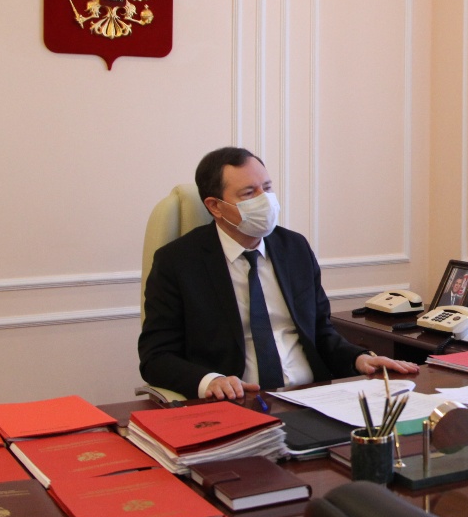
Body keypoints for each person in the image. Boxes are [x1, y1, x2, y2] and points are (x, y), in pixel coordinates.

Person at [139, 146, 417, 400]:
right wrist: (210, 381)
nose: (265, 200)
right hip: (238, 402)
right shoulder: (177, 262)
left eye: (267, 188)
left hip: (313, 396)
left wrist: (358, 359)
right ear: (215, 206)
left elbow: (320, 333)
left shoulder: (294, 248)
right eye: (249, 193)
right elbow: (156, 357)